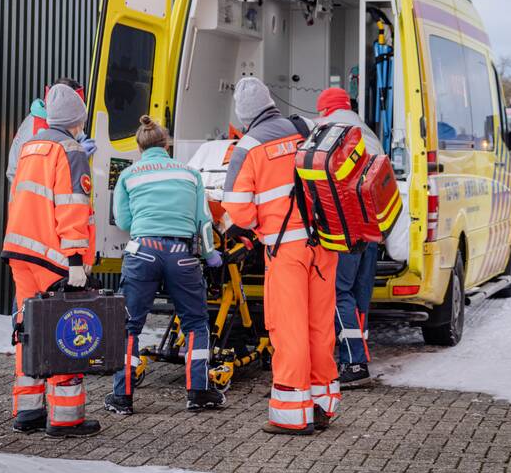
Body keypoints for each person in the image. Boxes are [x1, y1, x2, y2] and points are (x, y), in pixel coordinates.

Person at [222, 77, 340, 435]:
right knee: (319, 326)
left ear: (245, 117)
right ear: (270, 102)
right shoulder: (303, 128)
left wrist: (257, 226)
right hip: (324, 244)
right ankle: (323, 404)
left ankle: (292, 412)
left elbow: (238, 210)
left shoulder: (249, 146)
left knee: (288, 329)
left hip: (287, 252)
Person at [104, 116, 226, 415]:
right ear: (166, 144)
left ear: (139, 145)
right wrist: (210, 255)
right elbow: (203, 221)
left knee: (130, 325)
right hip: (181, 254)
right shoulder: (189, 174)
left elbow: (124, 221)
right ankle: (198, 393)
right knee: (196, 323)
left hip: (143, 252)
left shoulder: (129, 175)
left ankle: (122, 397)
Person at [1, 84, 100, 437]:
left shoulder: (31, 146)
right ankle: (66, 417)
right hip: (53, 256)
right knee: (65, 331)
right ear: (78, 119)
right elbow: (72, 208)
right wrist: (75, 261)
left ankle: (28, 411)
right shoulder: (71, 151)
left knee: (28, 331)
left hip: (21, 251)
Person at [315, 87, 381, 389]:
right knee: (359, 293)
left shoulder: (330, 135)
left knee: (338, 293)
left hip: (343, 230)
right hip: (369, 230)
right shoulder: (369, 135)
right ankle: (359, 352)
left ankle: (354, 362)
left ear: (326, 110)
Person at [6, 78, 96, 184]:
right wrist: (75, 157)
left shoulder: (50, 121)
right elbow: (41, 171)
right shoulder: (38, 130)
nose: (79, 126)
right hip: (33, 195)